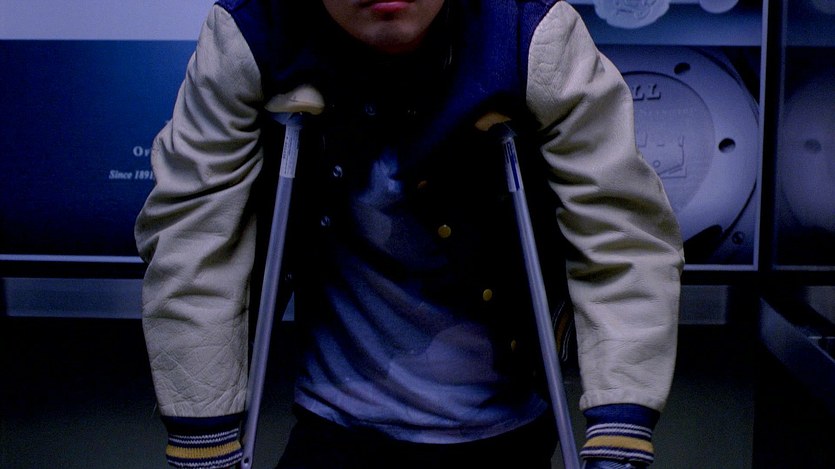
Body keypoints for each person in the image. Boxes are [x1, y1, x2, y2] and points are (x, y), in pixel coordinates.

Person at [135, 1, 684, 468]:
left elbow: (619, 233)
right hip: (334, 424)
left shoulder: (532, 31)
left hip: (509, 422)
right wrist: (203, 436)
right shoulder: (250, 35)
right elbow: (194, 238)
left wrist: (620, 427)